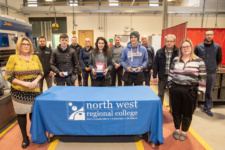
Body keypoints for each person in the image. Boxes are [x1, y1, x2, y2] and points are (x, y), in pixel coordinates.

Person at [5, 37, 44, 148]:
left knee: (34, 114)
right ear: (19, 46)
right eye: (23, 44)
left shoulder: (35, 57)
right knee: (22, 115)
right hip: (19, 92)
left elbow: (41, 72)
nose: (26, 46)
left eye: (28, 44)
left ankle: (35, 134)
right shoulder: (13, 58)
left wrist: (36, 81)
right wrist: (24, 83)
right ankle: (24, 137)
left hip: (34, 91)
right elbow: (8, 75)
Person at [167, 39, 206, 141]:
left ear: (191, 47)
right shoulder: (176, 60)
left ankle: (184, 130)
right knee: (176, 111)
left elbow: (203, 77)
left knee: (187, 112)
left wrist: (200, 90)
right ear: (180, 49)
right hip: (176, 89)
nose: (185, 49)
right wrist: (170, 85)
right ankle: (176, 129)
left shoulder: (199, 61)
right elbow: (171, 74)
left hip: (190, 90)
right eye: (183, 47)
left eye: (187, 46)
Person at [194, 29, 222, 117]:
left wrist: (212, 66)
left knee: (209, 91)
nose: (209, 36)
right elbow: (194, 58)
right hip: (199, 72)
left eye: (210, 35)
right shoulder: (198, 47)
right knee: (196, 90)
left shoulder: (217, 47)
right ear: (204, 36)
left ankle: (207, 108)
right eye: (207, 35)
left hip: (211, 73)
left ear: (213, 36)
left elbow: (219, 59)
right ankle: (194, 106)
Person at [152, 34, 178, 105]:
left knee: (172, 94)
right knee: (161, 93)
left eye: (171, 41)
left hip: (174, 77)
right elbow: (155, 64)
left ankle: (172, 110)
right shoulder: (159, 52)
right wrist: (154, 76)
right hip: (162, 76)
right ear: (165, 42)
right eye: (167, 41)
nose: (169, 43)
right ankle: (160, 109)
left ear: (174, 42)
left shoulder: (178, 52)